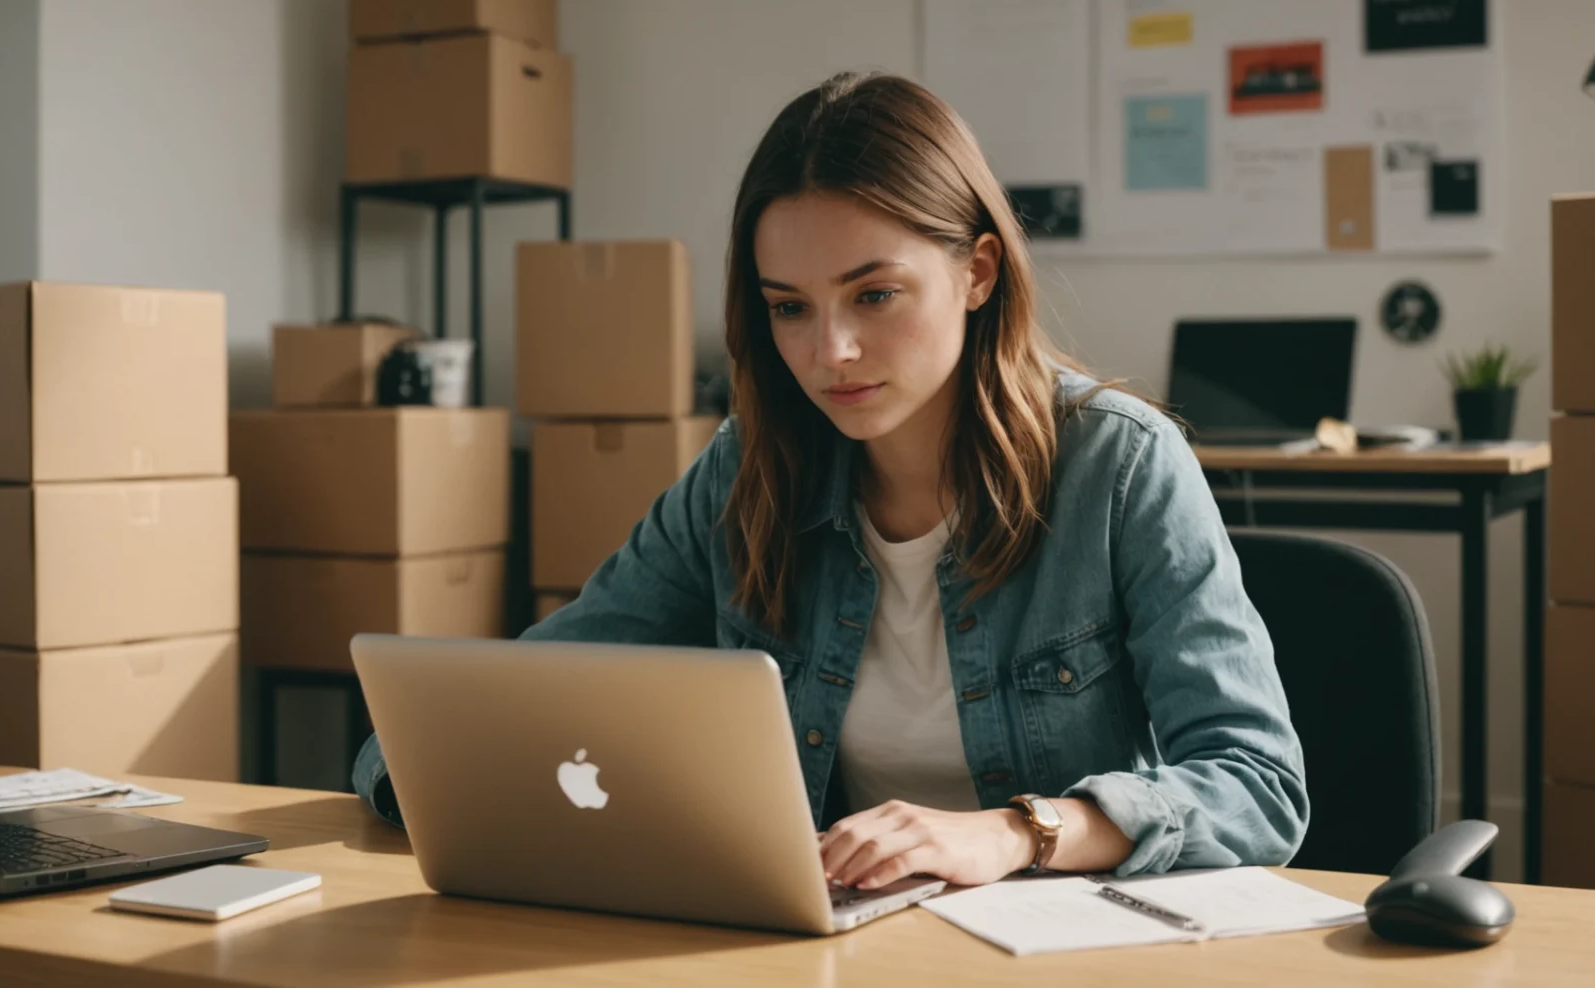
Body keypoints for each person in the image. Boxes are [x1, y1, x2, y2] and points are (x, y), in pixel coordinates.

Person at [354, 72, 1306, 890]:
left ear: (976, 272)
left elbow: (1257, 784)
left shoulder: (1122, 466)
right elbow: (526, 690)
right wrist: (424, 763)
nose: (831, 352)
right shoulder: (747, 472)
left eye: (874, 294)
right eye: (789, 308)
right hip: (833, 947)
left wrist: (1017, 832)